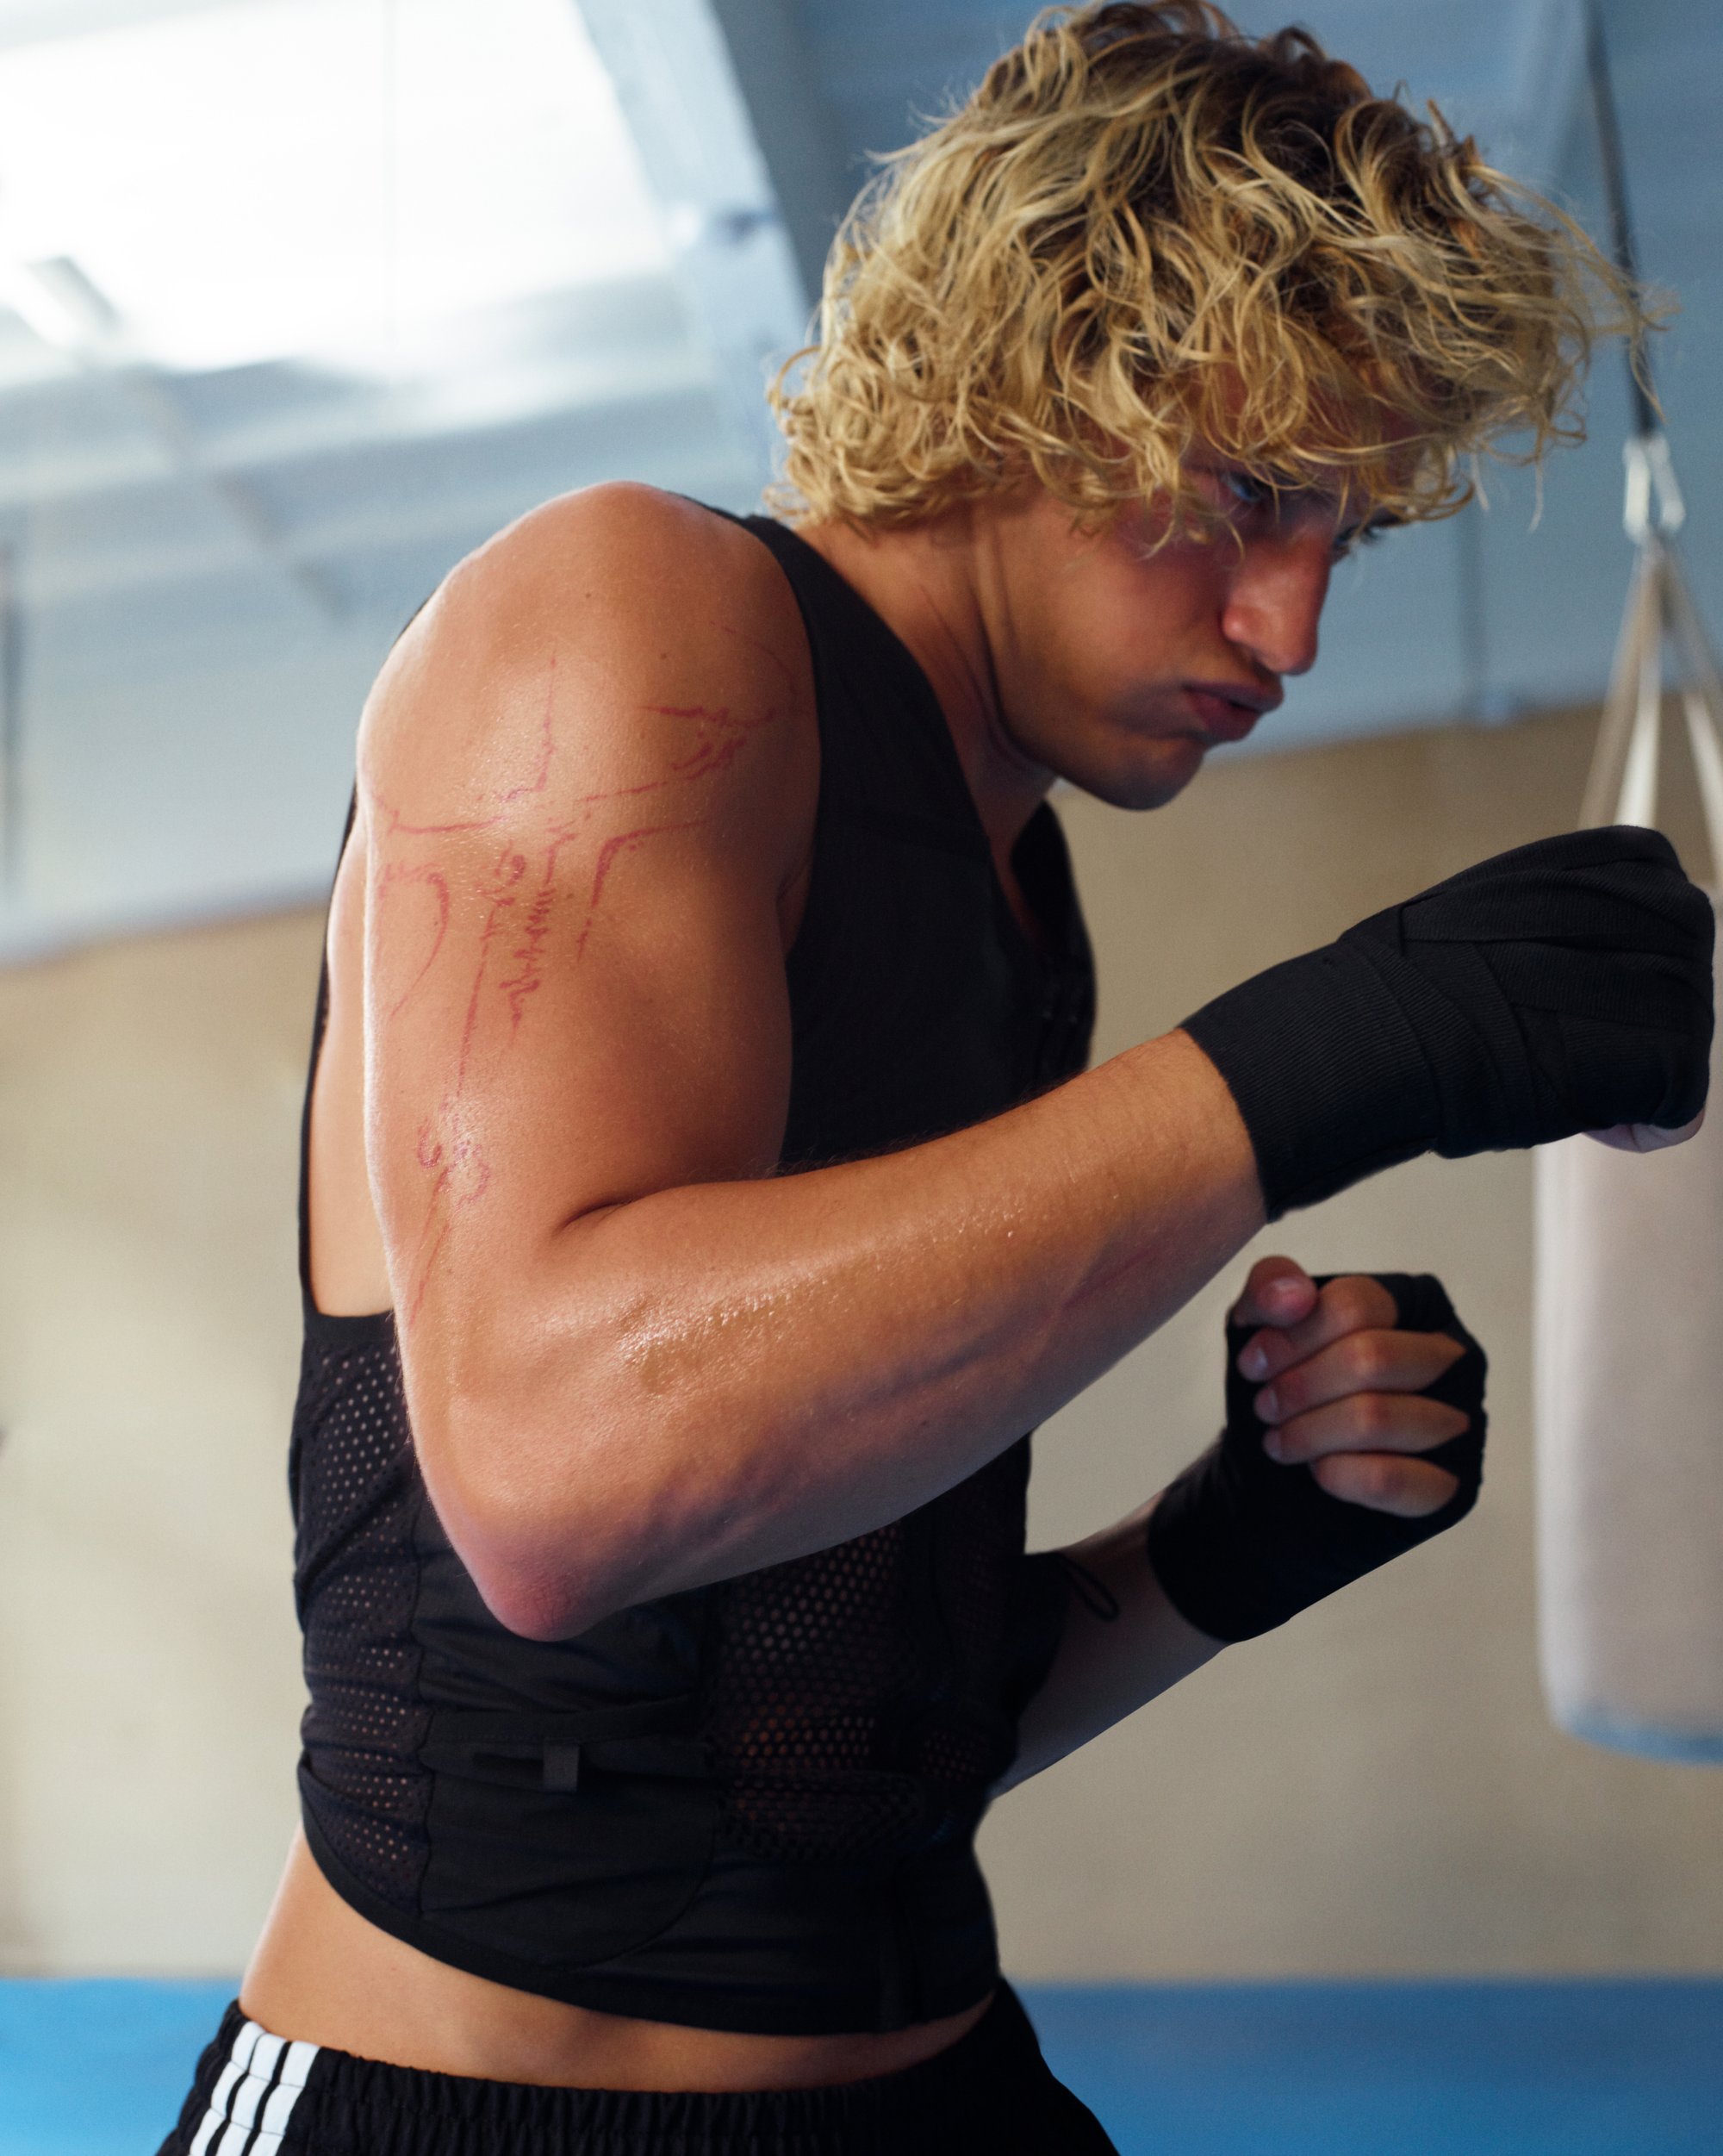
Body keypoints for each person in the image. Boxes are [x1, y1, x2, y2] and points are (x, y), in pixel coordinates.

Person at [160, 4, 1713, 2152]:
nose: (1293, 630)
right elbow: (549, 1483)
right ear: (1022, 371)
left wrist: (1220, 1552)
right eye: (1250, 496)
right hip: (459, 2105)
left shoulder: (1015, 887)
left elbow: (814, 1728)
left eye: (1340, 538)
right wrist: (1349, 1046)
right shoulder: (636, 613)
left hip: (937, 2079)